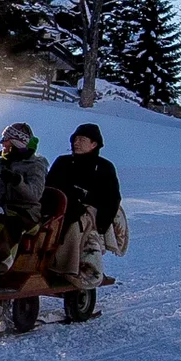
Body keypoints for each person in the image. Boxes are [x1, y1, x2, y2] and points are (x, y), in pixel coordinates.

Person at [46, 123, 121, 288]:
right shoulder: (63, 162)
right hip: (60, 205)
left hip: (88, 211)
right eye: (75, 139)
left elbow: (111, 199)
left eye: (82, 139)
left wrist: (101, 225)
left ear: (94, 144)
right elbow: (49, 187)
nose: (76, 143)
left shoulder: (103, 167)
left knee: (75, 225)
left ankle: (66, 268)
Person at [0, 122, 48, 282]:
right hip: (0, 209)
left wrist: (17, 182)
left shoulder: (35, 165)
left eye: (6, 140)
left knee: (8, 225)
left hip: (26, 213)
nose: (2, 144)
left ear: (17, 142)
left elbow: (35, 194)